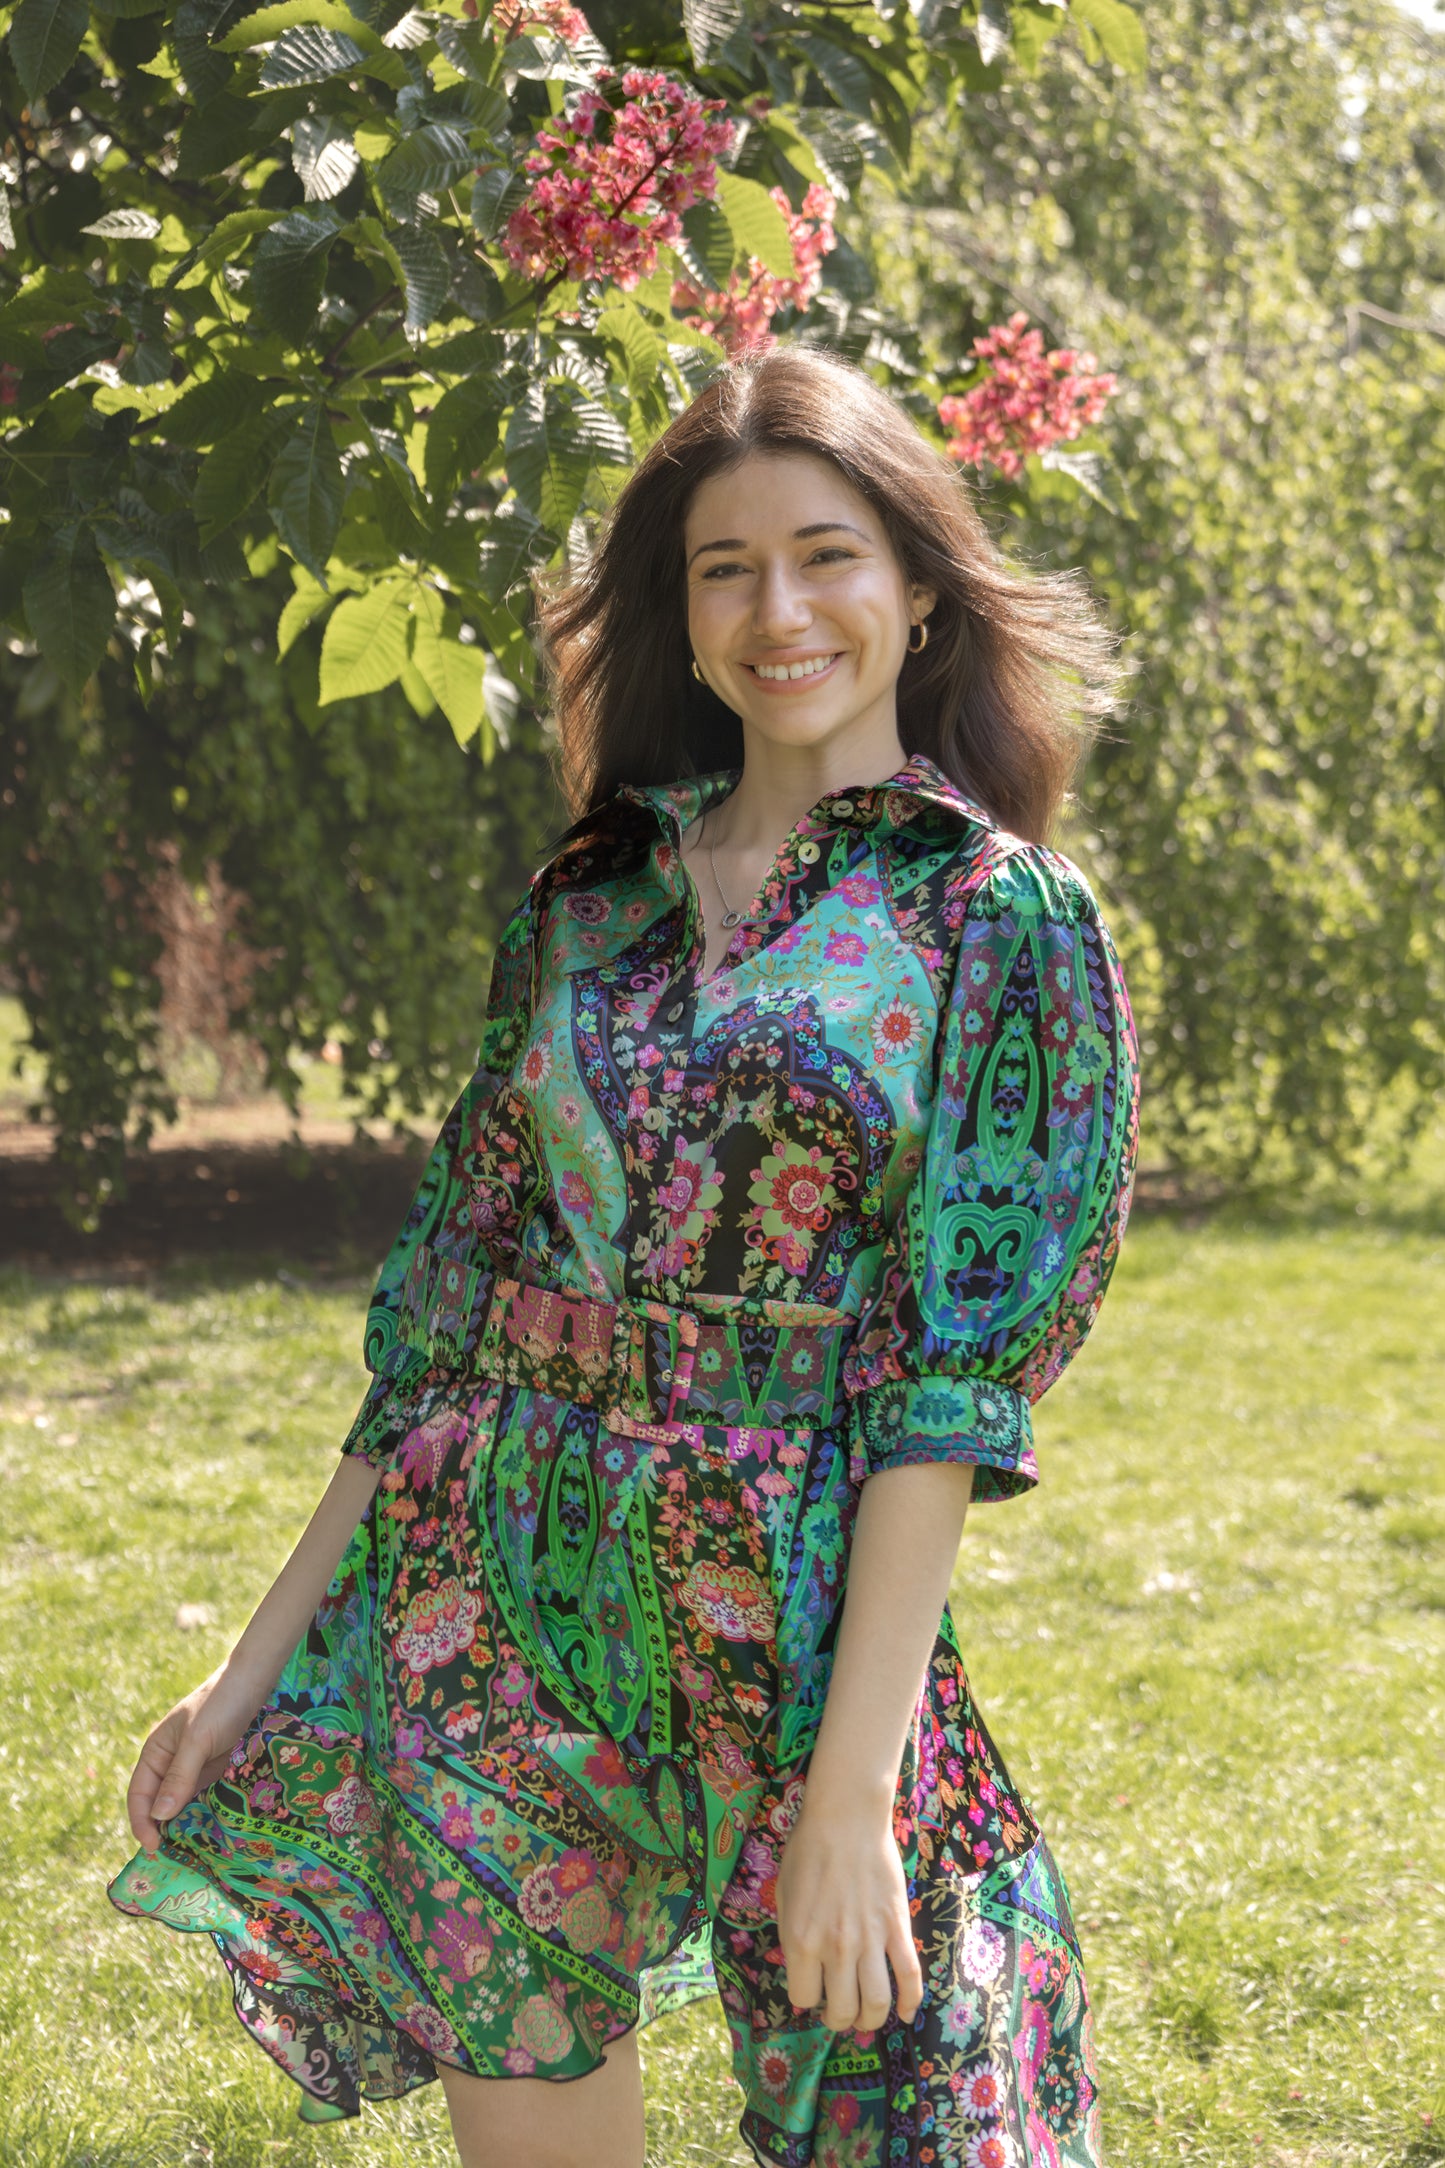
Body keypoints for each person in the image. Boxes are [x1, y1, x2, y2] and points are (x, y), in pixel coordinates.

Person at [110, 346, 1140, 2168]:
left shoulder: (995, 922)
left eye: (826, 554)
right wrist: (251, 1668)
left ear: (915, 593)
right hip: (496, 1594)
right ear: (679, 616)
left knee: (923, 2116)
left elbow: (948, 1384)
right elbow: (449, 1316)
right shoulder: (586, 906)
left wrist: (854, 1794)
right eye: (721, 567)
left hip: (800, 1619)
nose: (779, 608)